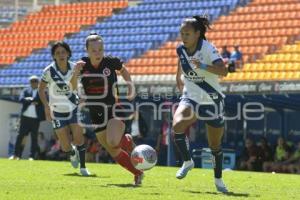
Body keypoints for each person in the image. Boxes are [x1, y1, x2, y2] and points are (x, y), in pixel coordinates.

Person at [71, 33, 144, 186]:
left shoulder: (111, 62)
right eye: (94, 50)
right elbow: (71, 87)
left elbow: (123, 70)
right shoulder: (82, 66)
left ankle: (127, 141)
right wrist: (75, 73)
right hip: (96, 114)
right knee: (112, 150)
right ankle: (138, 173)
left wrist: (130, 86)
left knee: (112, 141)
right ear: (87, 51)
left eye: (100, 49)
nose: (98, 53)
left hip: (113, 109)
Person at [173, 15, 228, 193]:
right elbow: (180, 69)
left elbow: (224, 71)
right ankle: (188, 161)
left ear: (197, 33)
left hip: (212, 99)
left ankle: (218, 179)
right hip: (191, 97)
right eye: (182, 33)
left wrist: (203, 66)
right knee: (178, 124)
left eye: (187, 33)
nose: (184, 36)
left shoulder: (208, 48)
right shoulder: (180, 50)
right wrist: (180, 84)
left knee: (215, 145)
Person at [38, 41, 90, 176]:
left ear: (68, 54)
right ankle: (72, 153)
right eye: (57, 53)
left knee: (79, 139)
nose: (61, 55)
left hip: (74, 108)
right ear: (54, 56)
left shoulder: (75, 68)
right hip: (57, 111)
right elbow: (41, 88)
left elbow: (73, 87)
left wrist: (83, 95)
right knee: (65, 146)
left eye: (63, 52)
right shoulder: (49, 71)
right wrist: (46, 106)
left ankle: (83, 167)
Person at [9, 75, 45, 160]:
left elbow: (43, 101)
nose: (34, 83)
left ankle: (32, 156)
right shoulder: (25, 90)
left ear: (38, 82)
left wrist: (29, 100)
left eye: (35, 81)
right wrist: (33, 101)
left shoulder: (41, 91)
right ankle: (16, 155)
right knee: (20, 136)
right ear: (30, 82)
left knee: (34, 138)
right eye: (32, 81)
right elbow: (21, 99)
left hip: (35, 119)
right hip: (25, 117)